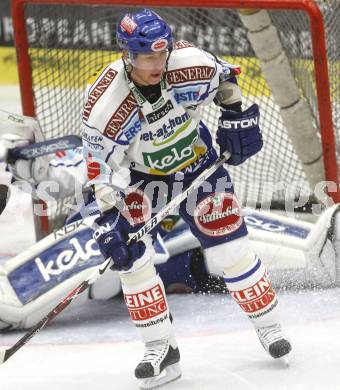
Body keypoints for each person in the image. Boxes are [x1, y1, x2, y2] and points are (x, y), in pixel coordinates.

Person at [81, 8, 290, 389]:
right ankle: (162, 349)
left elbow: (226, 78)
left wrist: (234, 114)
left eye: (161, 54)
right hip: (142, 181)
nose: (157, 64)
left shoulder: (188, 61)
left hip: (199, 166)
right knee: (132, 259)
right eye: (147, 57)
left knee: (230, 250)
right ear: (127, 54)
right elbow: (98, 173)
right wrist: (108, 221)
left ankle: (270, 327)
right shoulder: (105, 107)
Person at [1, 109, 340, 338]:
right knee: (112, 251)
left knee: (219, 236)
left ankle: (323, 249)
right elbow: (56, 175)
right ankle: (13, 296)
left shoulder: (168, 135)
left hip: (169, 244)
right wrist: (23, 165)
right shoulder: (97, 149)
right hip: (115, 241)